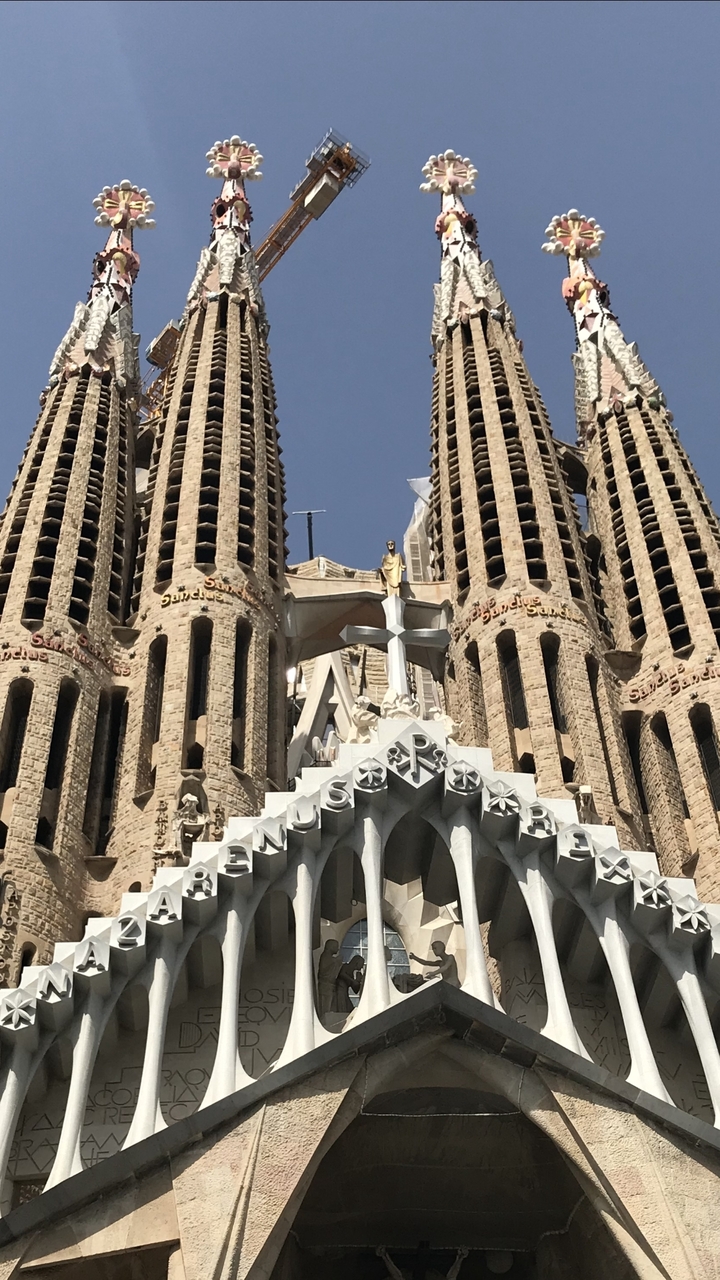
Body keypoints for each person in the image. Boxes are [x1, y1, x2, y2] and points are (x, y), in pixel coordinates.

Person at [377, 1245, 469, 1280]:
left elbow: (397, 1277)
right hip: (433, 1271)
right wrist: (460, 1258)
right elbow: (451, 1277)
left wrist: (384, 1256)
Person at [316, 939, 341, 1015]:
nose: (338, 949)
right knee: (325, 1004)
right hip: (325, 984)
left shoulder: (328, 957)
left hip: (330, 985)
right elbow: (324, 968)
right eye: (336, 947)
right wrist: (336, 960)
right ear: (331, 947)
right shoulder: (325, 956)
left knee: (329, 1003)